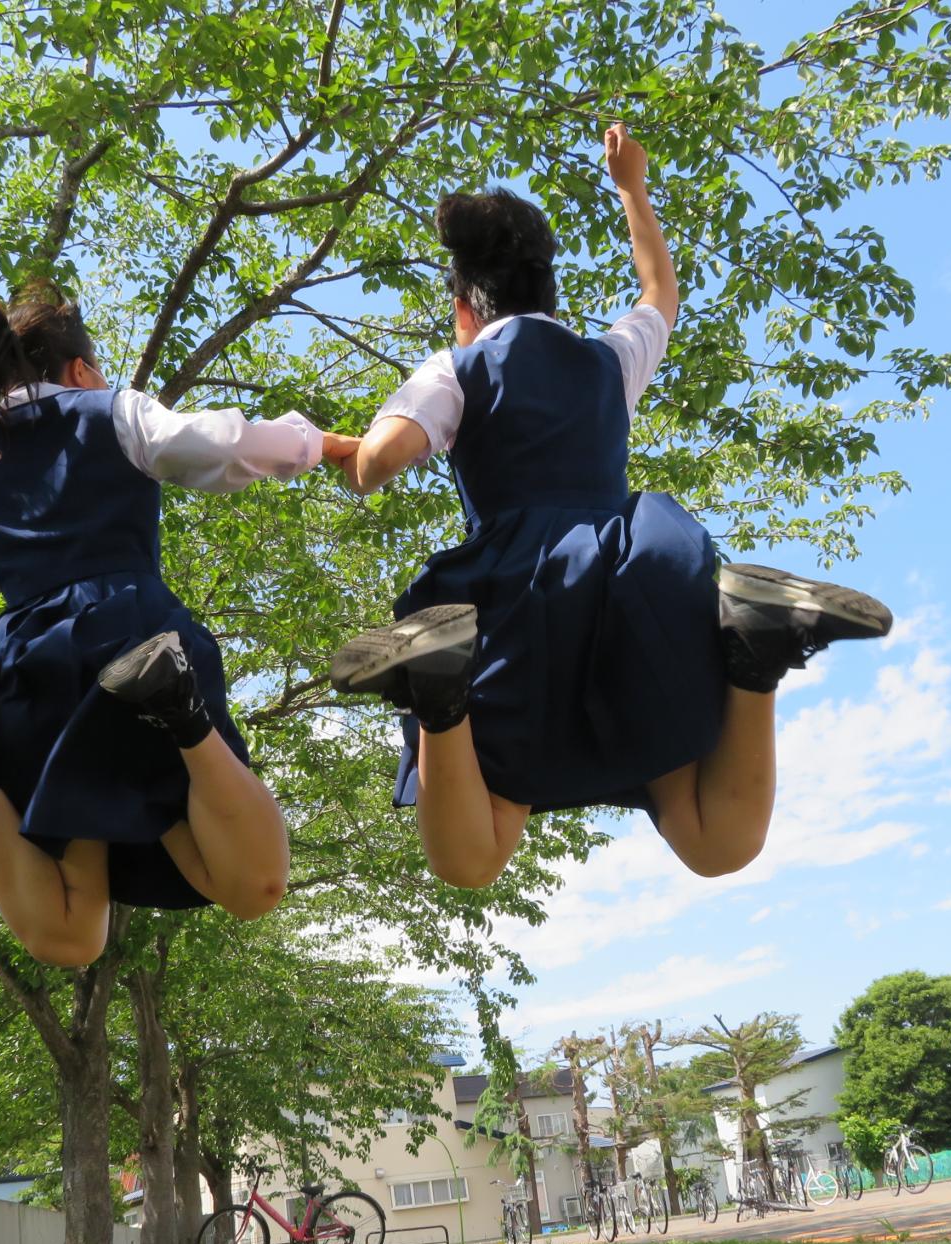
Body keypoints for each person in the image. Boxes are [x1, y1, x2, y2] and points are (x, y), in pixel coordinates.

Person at [324, 124, 895, 889]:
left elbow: (378, 462)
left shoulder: (454, 368)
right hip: (637, 577)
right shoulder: (610, 359)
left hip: (516, 592)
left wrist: (343, 449)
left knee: (470, 859)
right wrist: (632, 186)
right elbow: (661, 293)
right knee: (715, 844)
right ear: (551, 297)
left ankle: (441, 694)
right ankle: (755, 658)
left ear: (463, 308)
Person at [0, 289, 335, 965]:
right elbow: (222, 443)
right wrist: (321, 444)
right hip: (130, 636)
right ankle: (177, 710)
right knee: (253, 888)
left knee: (69, 939)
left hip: (33, 676)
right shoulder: (113, 411)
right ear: (78, 371)